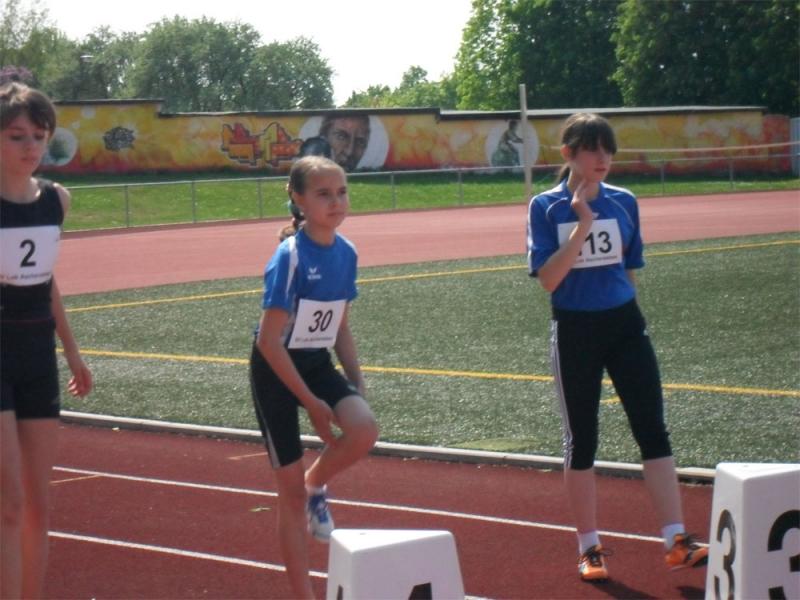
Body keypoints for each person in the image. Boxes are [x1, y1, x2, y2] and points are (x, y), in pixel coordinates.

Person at [526, 113, 708, 583]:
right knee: (581, 440)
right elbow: (549, 279)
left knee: (653, 429)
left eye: (608, 149)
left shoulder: (625, 201)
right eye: (592, 148)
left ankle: (677, 541)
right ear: (568, 154)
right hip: (575, 331)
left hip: (625, 325)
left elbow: (629, 268)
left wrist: (629, 311)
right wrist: (583, 222)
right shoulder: (545, 207)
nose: (602, 158)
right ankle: (589, 547)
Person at [249, 155, 378, 598]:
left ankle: (317, 482)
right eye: (323, 194)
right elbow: (269, 342)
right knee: (288, 494)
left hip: (315, 361)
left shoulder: (347, 252)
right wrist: (311, 403)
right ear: (298, 199)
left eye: (341, 192)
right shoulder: (289, 257)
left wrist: (356, 380)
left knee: (363, 429)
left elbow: (339, 325)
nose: (336, 202)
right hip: (275, 370)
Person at [1, 82, 93, 598]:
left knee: (39, 506)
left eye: (39, 135)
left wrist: (72, 350)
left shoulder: (57, 200)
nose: (31, 146)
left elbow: (45, 280)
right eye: (17, 136)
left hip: (38, 355)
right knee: (9, 504)